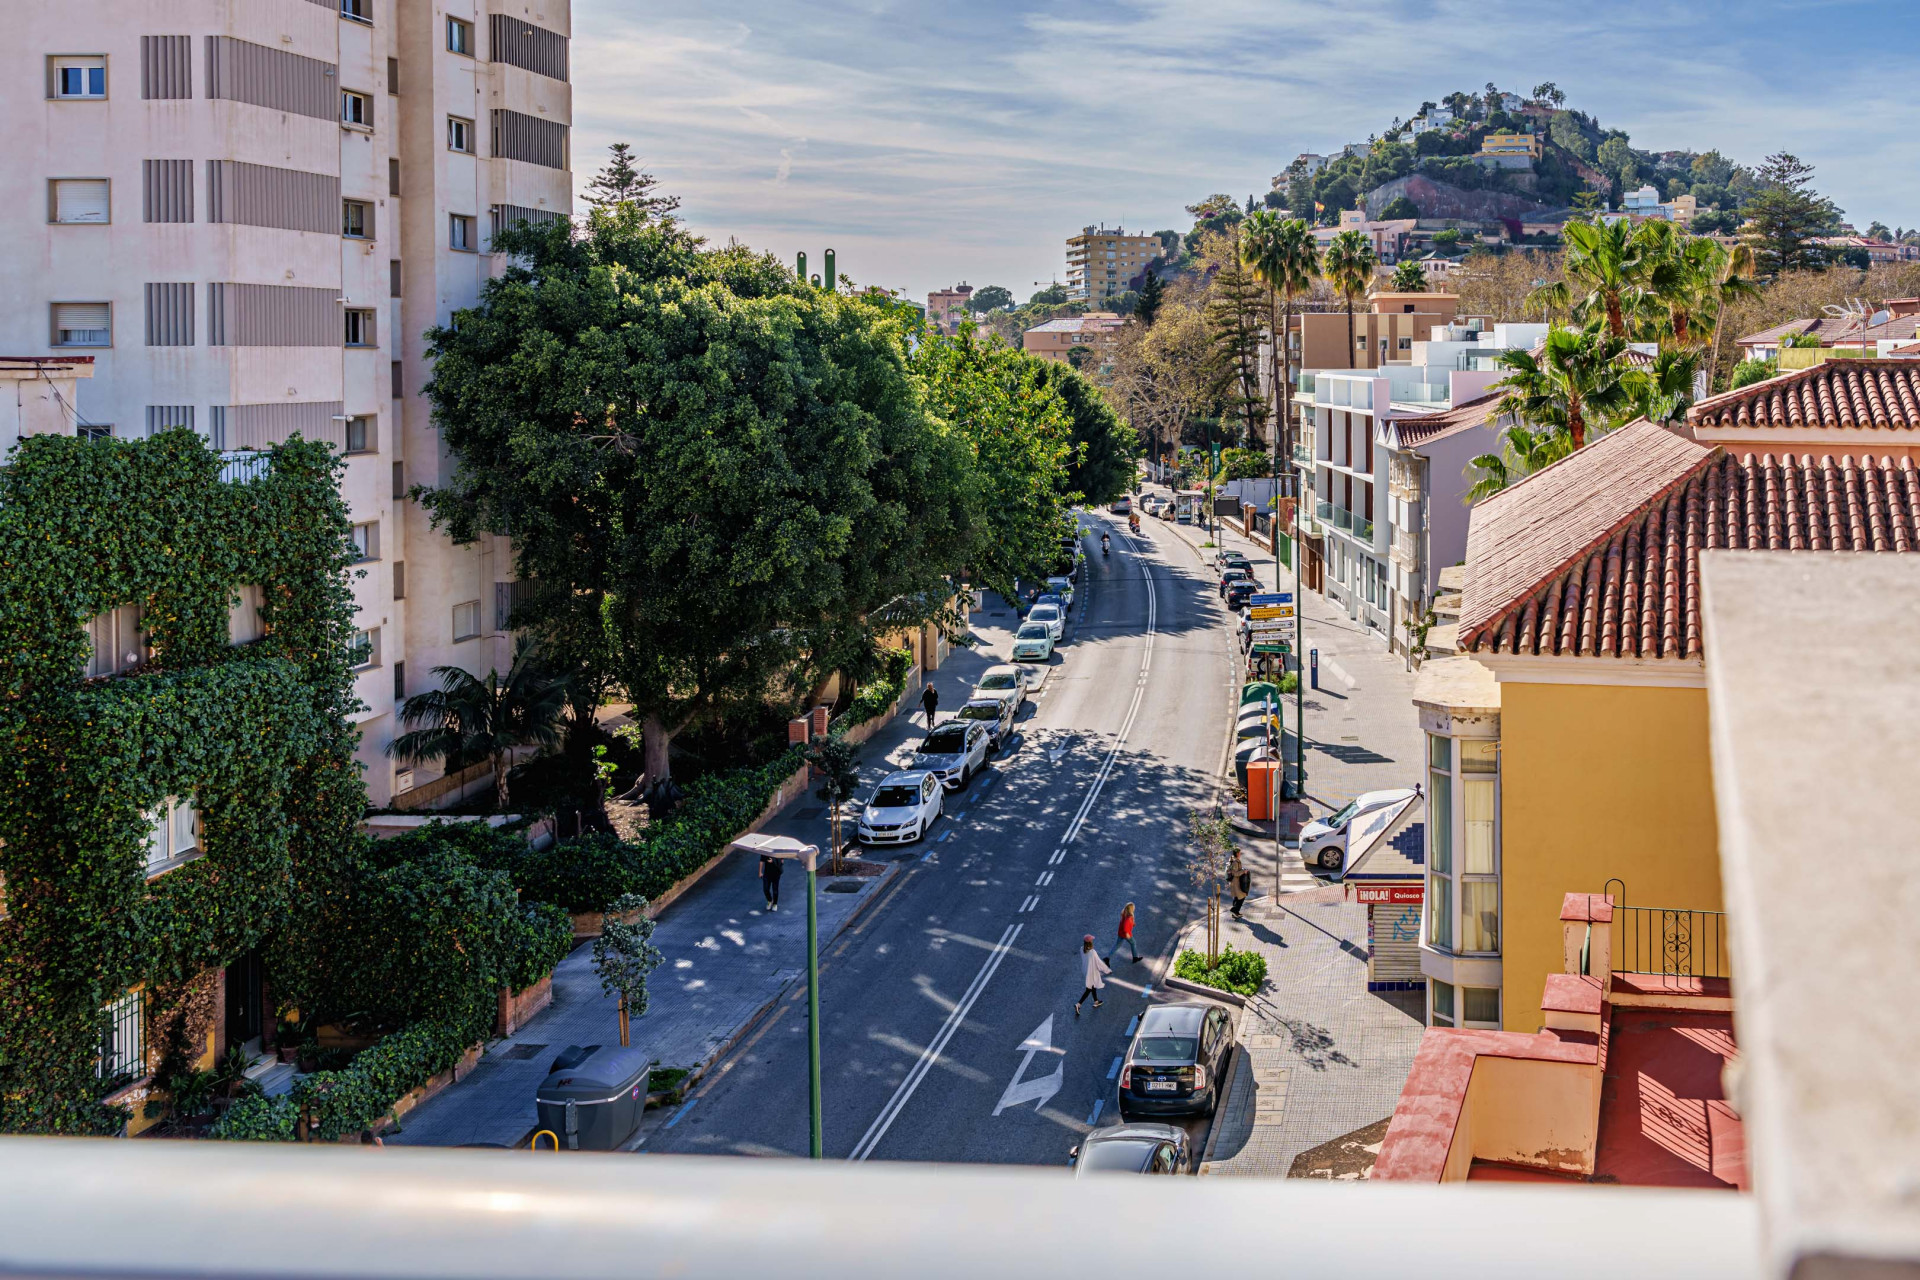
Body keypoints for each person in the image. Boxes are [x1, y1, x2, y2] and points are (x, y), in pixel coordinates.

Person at [1075, 935, 1110, 1015]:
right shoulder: (1092, 952)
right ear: (1090, 942)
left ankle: (1096, 1001)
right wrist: (1107, 970)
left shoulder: (1081, 949)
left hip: (1086, 971)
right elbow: (1099, 962)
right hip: (1092, 972)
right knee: (1089, 989)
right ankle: (1078, 1004)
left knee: (1093, 986)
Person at [1229, 850, 1251, 919]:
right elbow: (1235, 873)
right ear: (1237, 853)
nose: (1240, 854)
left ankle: (1236, 913)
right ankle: (1234, 910)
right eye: (1239, 853)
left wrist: (1242, 870)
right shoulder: (1235, 862)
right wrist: (1243, 871)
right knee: (1242, 896)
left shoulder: (1235, 860)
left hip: (1237, 882)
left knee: (1237, 897)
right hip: (1236, 883)